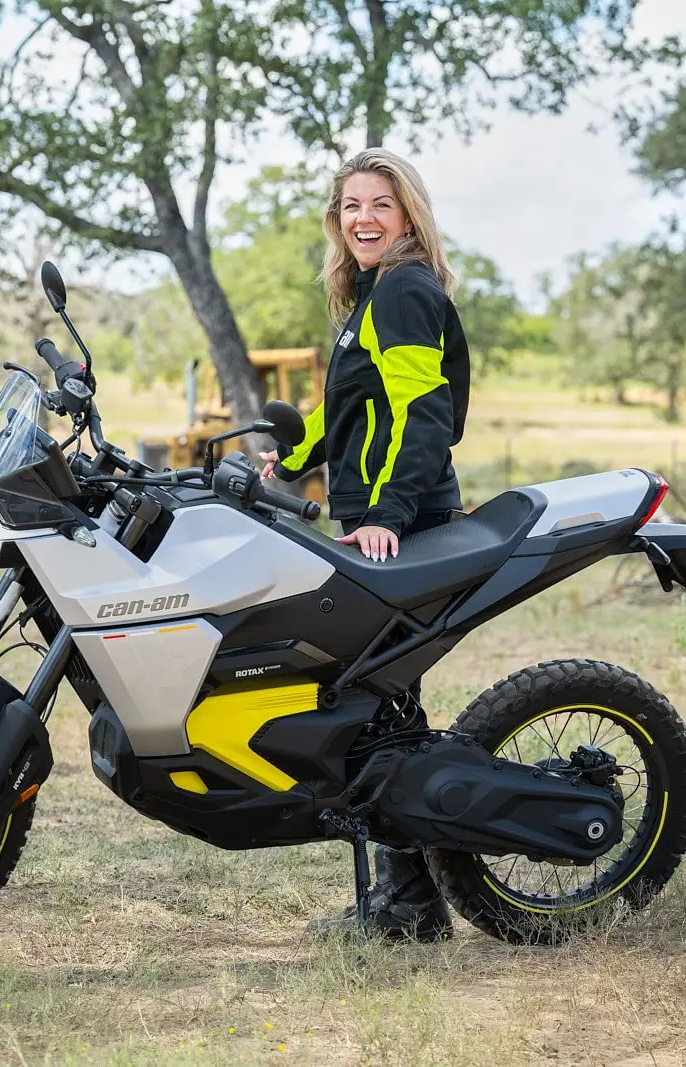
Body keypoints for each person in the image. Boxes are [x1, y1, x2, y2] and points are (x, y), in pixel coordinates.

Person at [260, 147, 471, 942]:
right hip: (370, 521)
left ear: (408, 214)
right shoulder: (372, 298)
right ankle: (404, 897)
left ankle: (409, 903)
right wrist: (294, 456)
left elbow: (423, 414)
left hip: (397, 527)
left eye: (379, 204)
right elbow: (352, 411)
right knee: (380, 705)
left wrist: (387, 513)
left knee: (374, 707)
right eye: (351, 206)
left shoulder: (407, 290)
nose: (364, 219)